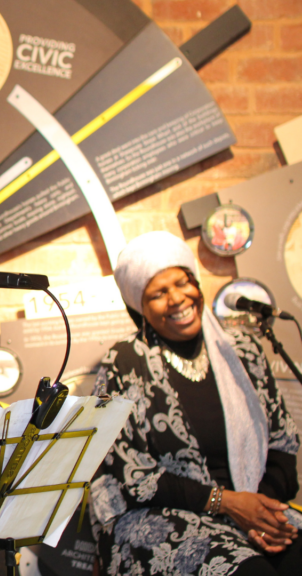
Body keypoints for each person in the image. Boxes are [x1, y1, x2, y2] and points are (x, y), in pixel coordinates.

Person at [90, 231, 301, 575]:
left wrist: (259, 511)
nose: (177, 298)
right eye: (158, 293)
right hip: (162, 518)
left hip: (251, 505)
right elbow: (132, 474)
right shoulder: (125, 362)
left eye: (182, 282)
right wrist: (228, 503)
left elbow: (283, 443)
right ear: (138, 306)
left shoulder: (243, 350)